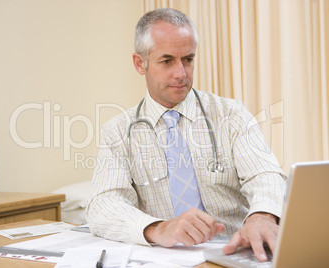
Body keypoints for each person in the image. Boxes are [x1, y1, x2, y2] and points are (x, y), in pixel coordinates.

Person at [86, 8, 287, 262]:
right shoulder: (118, 132)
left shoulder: (231, 115)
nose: (181, 73)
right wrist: (158, 228)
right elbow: (103, 204)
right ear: (140, 63)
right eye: (167, 60)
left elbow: (265, 175)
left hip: (233, 253)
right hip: (164, 259)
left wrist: (263, 215)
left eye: (188, 59)